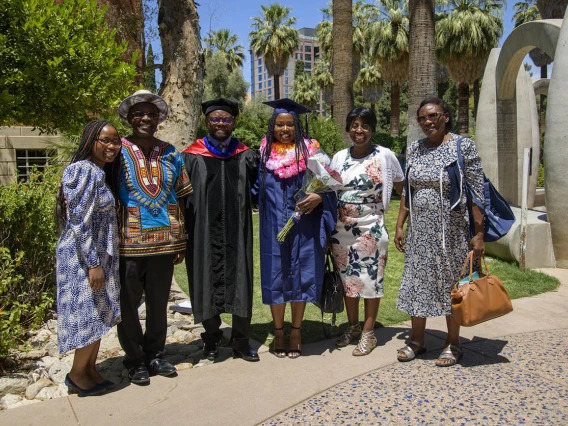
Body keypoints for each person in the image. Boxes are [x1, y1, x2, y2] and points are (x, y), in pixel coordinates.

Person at [394, 97, 485, 367]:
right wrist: (400, 224)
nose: (427, 122)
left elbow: (477, 193)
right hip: (419, 230)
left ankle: (453, 343)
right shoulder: (415, 149)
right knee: (416, 282)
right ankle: (417, 340)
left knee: (451, 284)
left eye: (432, 116)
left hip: (452, 231)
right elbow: (408, 191)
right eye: (422, 118)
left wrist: (479, 235)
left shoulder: (462, 146)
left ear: (445, 116)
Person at [116, 90, 193, 384]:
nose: (145, 118)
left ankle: (156, 355)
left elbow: (182, 195)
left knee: (159, 302)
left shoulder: (171, 152)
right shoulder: (118, 150)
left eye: (151, 113)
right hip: (128, 243)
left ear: (159, 118)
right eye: (139, 113)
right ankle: (135, 359)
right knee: (128, 304)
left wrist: (180, 236)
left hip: (166, 240)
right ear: (129, 117)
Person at [254, 99, 337, 359]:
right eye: (280, 124)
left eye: (290, 124)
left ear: (297, 126)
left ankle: (297, 331)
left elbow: (330, 186)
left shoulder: (311, 152)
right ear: (273, 125)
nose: (285, 129)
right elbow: (255, 189)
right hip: (273, 227)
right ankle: (279, 331)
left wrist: (320, 198)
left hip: (305, 227)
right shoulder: (264, 154)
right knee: (275, 275)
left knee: (301, 276)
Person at [182, 98, 260, 362]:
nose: (221, 124)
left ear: (233, 123)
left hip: (238, 232)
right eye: (215, 119)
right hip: (203, 231)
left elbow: (258, 190)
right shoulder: (191, 156)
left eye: (226, 119)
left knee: (241, 279)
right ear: (206, 122)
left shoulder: (246, 155)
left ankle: (240, 341)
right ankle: (212, 339)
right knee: (205, 277)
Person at [55, 120, 122, 396]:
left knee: (98, 315)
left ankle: (90, 370)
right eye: (104, 140)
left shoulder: (98, 172)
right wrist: (93, 264)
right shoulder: (82, 170)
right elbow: (79, 222)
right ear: (90, 141)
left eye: (115, 141)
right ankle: (76, 374)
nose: (111, 146)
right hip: (83, 260)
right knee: (87, 316)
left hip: (96, 258)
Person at [330, 107, 404, 356]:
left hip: (371, 226)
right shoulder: (339, 157)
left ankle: (369, 334)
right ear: (348, 128)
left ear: (372, 129)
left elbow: (402, 189)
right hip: (342, 229)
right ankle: (353, 327)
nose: (358, 130)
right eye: (354, 125)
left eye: (364, 125)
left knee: (370, 279)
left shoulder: (385, 156)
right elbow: (329, 190)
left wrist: (401, 224)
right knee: (348, 281)